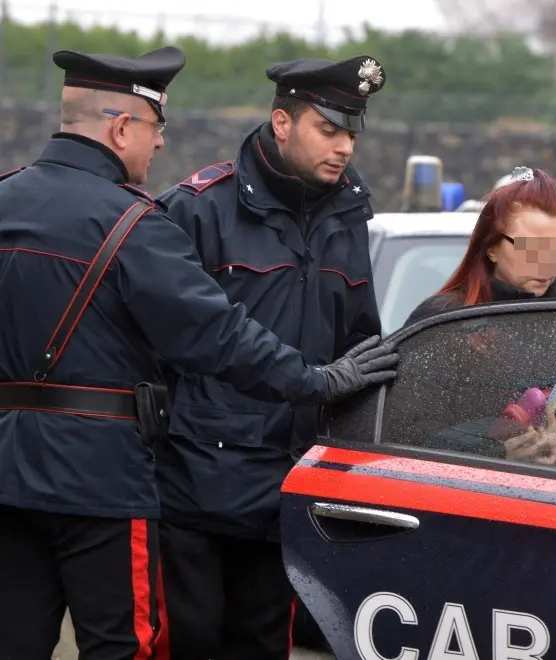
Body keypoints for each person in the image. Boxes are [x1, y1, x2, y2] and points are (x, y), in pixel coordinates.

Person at [0, 47, 397, 660]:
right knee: (130, 644)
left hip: (269, 488)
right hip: (137, 481)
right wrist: (315, 381)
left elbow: (356, 337)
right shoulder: (148, 220)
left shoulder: (10, 199)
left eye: (351, 133)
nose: (160, 145)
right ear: (121, 126)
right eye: (156, 127)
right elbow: (215, 334)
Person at [151, 55, 389, 659]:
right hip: (196, 487)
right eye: (329, 130)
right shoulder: (198, 208)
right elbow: (159, 346)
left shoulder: (348, 214)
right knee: (189, 642)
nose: (344, 148)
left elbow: (358, 343)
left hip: (290, 488)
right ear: (281, 122)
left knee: (264, 646)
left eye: (352, 135)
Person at [404, 166, 556, 464]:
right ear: (492, 247)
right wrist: (497, 454)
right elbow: (406, 431)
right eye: (532, 247)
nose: (547, 265)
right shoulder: (445, 321)